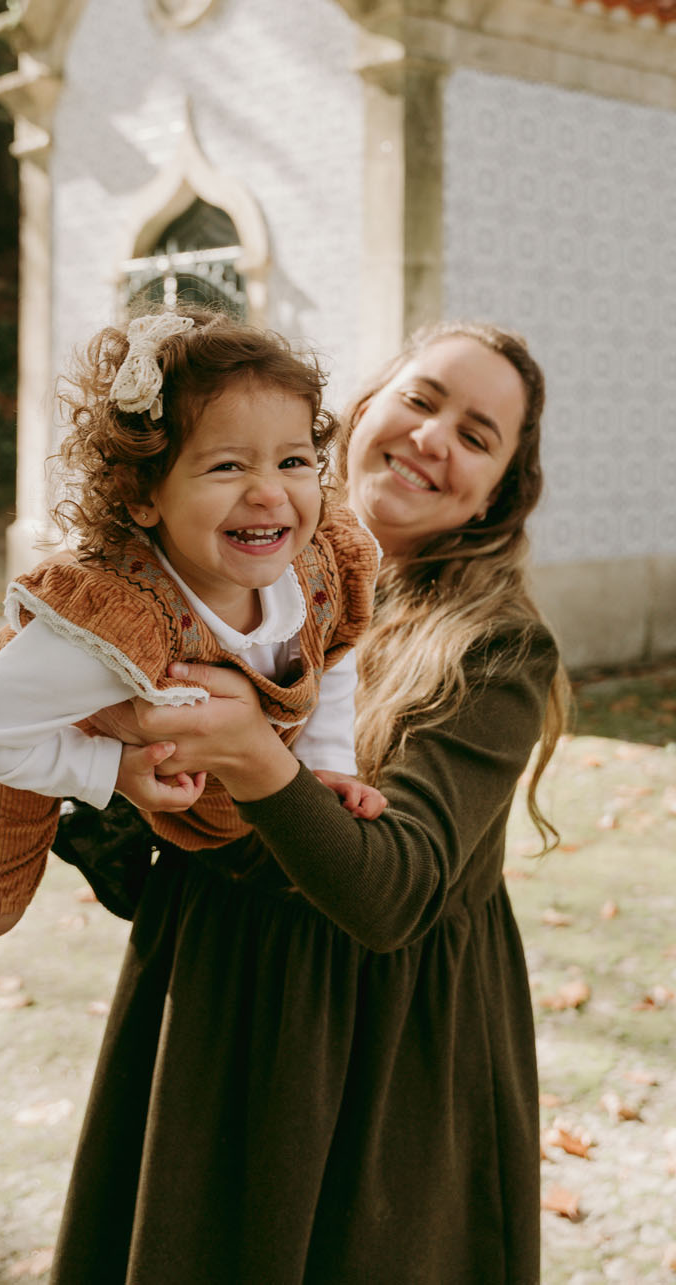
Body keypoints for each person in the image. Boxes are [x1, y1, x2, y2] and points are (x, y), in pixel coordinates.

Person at [46, 319, 571, 1285]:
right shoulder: (229, 578)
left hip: (389, 1063)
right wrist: (105, 756)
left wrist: (253, 756)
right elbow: (142, 853)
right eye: (420, 398)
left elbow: (392, 895)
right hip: (214, 1008)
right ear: (363, 411)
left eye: (477, 434)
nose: (432, 436)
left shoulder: (495, 650)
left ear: (500, 492)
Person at [0, 309, 384, 1152]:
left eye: (293, 460)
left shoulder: (318, 567)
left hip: (158, 745)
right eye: (225, 465)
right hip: (35, 730)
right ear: (144, 495)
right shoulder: (117, 629)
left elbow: (342, 645)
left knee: (224, 820)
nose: (269, 491)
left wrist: (324, 760)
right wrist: (108, 770)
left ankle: (106, 826)